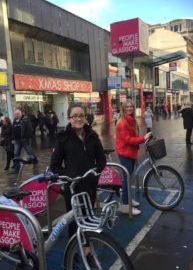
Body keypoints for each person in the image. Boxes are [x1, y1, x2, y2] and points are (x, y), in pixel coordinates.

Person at [50, 103, 106, 237]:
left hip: (90, 184)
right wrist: (70, 175)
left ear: (86, 117)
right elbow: (54, 165)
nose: (78, 119)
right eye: (74, 116)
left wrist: (94, 173)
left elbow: (101, 160)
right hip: (73, 187)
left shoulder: (92, 135)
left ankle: (87, 244)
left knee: (88, 215)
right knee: (74, 219)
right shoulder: (63, 138)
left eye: (81, 115)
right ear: (69, 118)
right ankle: (74, 248)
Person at [115, 99, 152, 215]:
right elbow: (128, 140)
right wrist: (143, 138)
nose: (129, 108)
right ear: (123, 108)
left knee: (128, 178)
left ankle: (128, 199)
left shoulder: (130, 120)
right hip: (125, 152)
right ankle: (126, 205)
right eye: (127, 107)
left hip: (130, 152)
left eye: (131, 106)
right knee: (126, 180)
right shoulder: (122, 122)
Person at [11, 109, 38, 173]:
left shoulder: (25, 119)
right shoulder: (14, 121)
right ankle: (17, 168)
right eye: (15, 114)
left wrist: (26, 137)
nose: (17, 115)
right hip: (17, 140)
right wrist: (13, 138)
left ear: (21, 114)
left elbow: (30, 129)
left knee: (29, 152)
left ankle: (35, 160)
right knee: (16, 154)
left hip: (24, 140)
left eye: (18, 114)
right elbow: (13, 130)